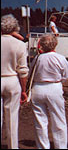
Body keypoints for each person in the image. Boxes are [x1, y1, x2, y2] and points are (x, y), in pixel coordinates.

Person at [30, 34, 68, 149]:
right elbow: (66, 74)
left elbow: (31, 74)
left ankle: (43, 146)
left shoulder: (37, 58)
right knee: (58, 119)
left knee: (40, 121)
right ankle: (61, 147)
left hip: (38, 87)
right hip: (54, 87)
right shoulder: (60, 58)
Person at [1, 14, 29, 149]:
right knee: (12, 118)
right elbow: (23, 71)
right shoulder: (19, 45)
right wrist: (24, 90)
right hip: (12, 80)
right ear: (14, 29)